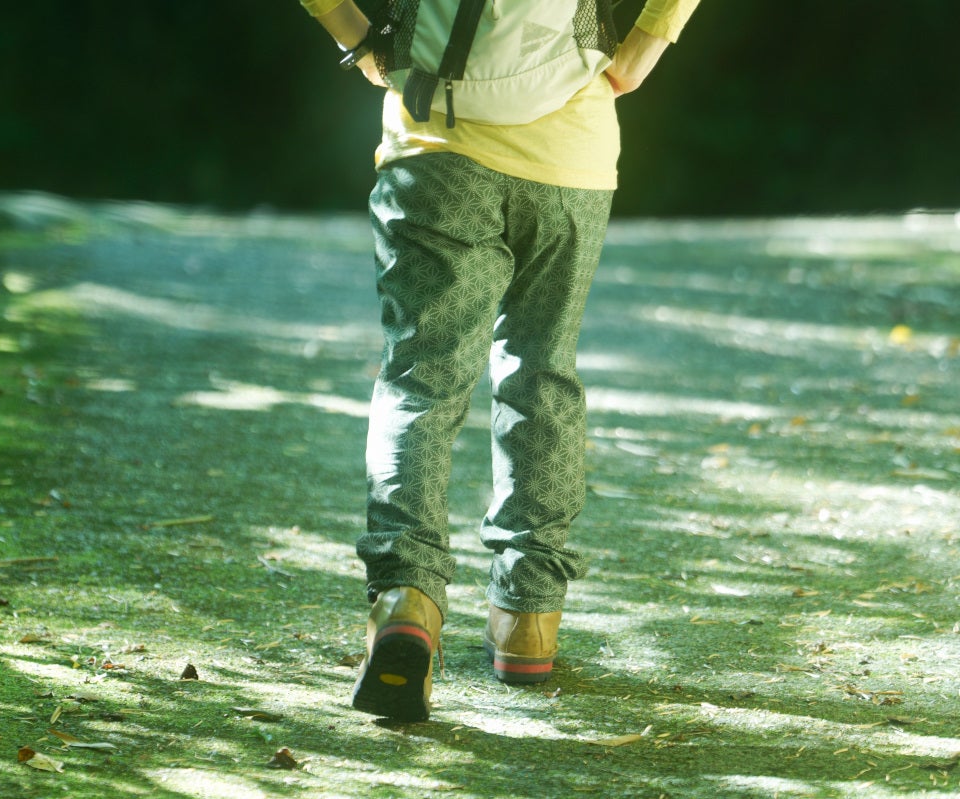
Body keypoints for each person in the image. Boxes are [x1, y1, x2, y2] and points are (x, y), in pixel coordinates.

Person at [298, 0, 700, 721]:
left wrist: (358, 38)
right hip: (570, 155)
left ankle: (406, 598)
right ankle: (527, 617)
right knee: (542, 371)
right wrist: (648, 41)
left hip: (434, 144)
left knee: (421, 379)